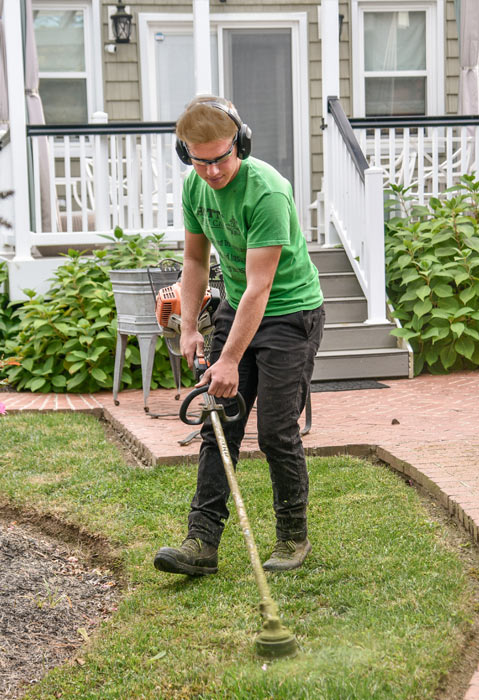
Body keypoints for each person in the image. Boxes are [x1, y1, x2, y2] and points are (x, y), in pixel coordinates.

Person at [154, 95, 324, 576]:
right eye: (198, 159)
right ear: (186, 153)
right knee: (217, 423)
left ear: (240, 144)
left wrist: (228, 361)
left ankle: (292, 537)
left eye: (220, 158)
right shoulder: (196, 187)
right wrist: (188, 326)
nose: (210, 171)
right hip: (236, 306)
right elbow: (193, 261)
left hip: (289, 313)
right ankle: (201, 543)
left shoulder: (266, 191)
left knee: (275, 430)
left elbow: (260, 286)